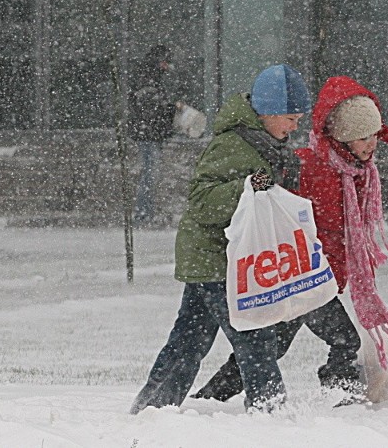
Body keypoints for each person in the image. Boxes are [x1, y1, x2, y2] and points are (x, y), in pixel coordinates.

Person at [191, 76, 388, 406]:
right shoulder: (310, 166)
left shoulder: (357, 173)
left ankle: (210, 397)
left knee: (271, 348)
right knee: (343, 339)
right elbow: (280, 208)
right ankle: (343, 394)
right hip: (302, 272)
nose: (370, 144)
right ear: (343, 137)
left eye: (373, 135)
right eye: (361, 137)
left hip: (316, 274)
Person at [129, 64, 312, 414]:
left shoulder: (267, 144)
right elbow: (202, 202)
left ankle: (153, 407)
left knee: (189, 340)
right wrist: (248, 186)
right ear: (268, 112)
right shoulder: (233, 144)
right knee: (255, 334)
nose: (294, 126)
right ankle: (270, 409)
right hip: (217, 258)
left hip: (222, 258)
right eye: (290, 117)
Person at [130, 44, 179, 227]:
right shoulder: (148, 78)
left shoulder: (148, 76)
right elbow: (151, 107)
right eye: (166, 62)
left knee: (150, 174)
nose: (168, 67)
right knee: (150, 174)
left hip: (148, 132)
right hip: (148, 134)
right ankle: (143, 214)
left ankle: (145, 213)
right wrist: (172, 108)